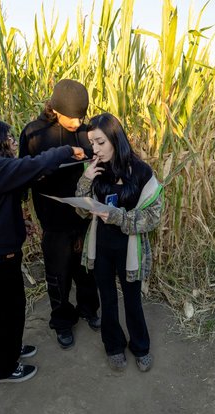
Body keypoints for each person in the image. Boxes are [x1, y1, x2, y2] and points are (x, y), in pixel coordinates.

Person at [0, 117, 86, 383]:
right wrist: (67, 150)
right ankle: (2, 369)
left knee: (12, 308)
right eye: (8, 137)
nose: (14, 141)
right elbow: (33, 164)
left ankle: (11, 350)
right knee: (5, 313)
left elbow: (18, 184)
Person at [75, 113, 163, 372]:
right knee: (108, 298)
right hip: (101, 247)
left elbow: (152, 216)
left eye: (100, 142)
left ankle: (140, 346)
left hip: (129, 248)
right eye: (92, 143)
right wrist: (85, 180)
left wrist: (117, 217)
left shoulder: (142, 171)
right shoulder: (93, 171)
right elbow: (81, 211)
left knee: (133, 300)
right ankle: (113, 345)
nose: (96, 149)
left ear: (115, 138)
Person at [19, 79, 101, 350]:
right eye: (71, 117)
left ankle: (89, 309)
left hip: (85, 217)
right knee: (58, 273)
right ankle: (62, 321)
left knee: (87, 269)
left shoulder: (87, 132)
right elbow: (21, 175)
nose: (76, 124)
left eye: (81, 117)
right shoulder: (34, 133)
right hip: (53, 218)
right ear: (54, 108)